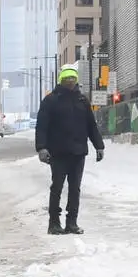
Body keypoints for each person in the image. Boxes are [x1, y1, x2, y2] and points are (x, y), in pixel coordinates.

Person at [35, 64, 105, 235]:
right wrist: (42, 148)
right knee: (57, 187)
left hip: (78, 152)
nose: (70, 81)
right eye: (67, 78)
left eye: (73, 78)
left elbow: (91, 126)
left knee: (75, 188)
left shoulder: (82, 101)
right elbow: (41, 127)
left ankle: (72, 223)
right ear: (61, 79)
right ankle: (54, 223)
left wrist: (99, 146)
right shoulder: (50, 100)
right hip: (58, 153)